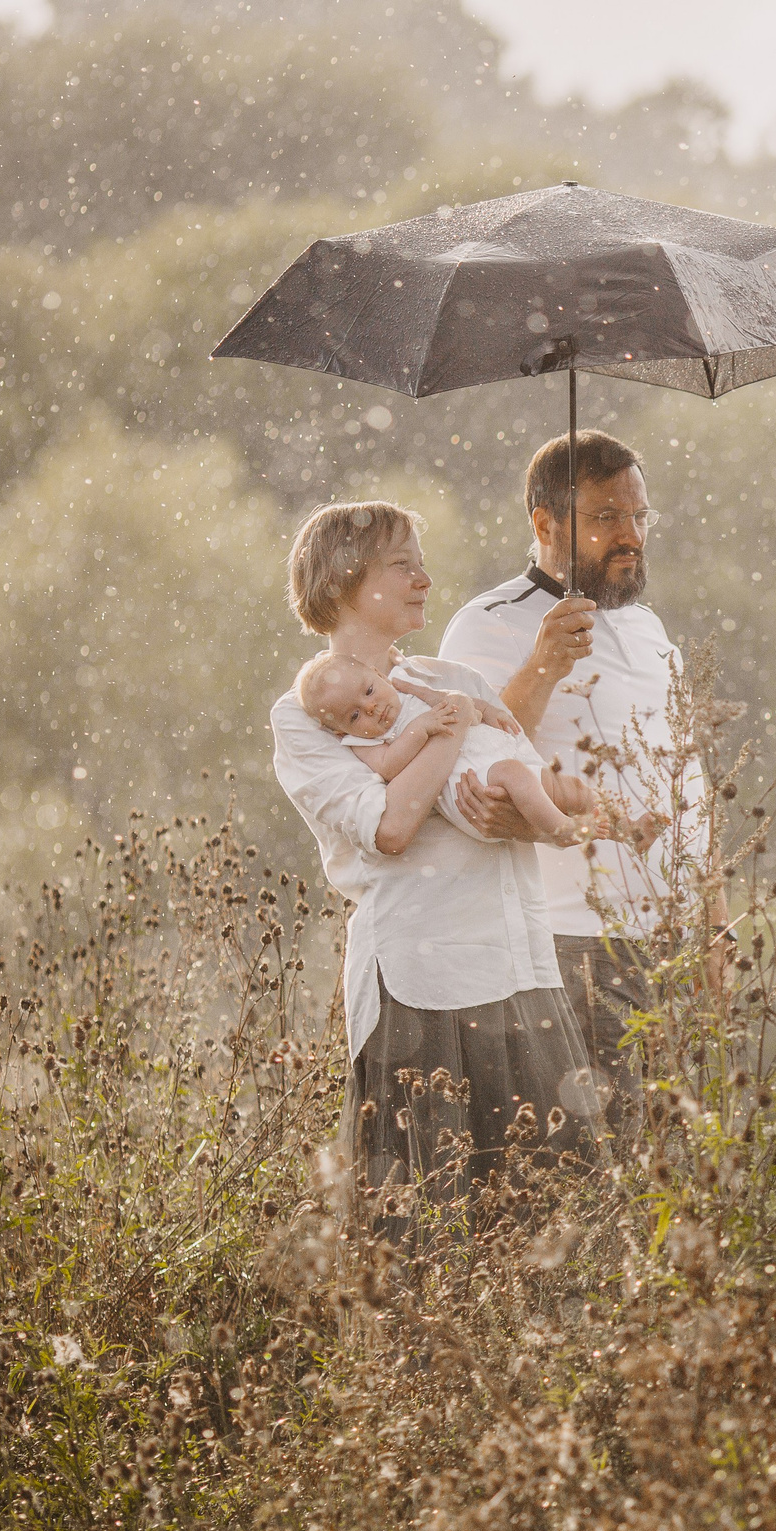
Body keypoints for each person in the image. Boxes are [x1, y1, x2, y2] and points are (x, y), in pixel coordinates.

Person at [269, 499, 603, 1243]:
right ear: (345, 580)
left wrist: (550, 808)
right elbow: (390, 826)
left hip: (520, 964)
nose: (424, 578)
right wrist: (449, 727)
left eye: (421, 563)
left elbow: (522, 785)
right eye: (402, 565)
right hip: (423, 984)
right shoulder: (306, 714)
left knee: (561, 1230)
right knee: (428, 1238)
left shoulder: (452, 677)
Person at [441, 430, 708, 1134]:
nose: (631, 536)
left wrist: (710, 916)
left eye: (640, 515)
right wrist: (542, 667)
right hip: (572, 942)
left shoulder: (648, 628)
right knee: (593, 1163)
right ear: (544, 524)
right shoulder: (486, 625)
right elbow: (470, 767)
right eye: (606, 517)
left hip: (674, 938)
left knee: (676, 1160)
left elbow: (688, 776)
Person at [293, 650, 657, 850]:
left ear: (378, 675)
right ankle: (561, 830)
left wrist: (488, 710)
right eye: (354, 715)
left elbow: (455, 701)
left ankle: (628, 831)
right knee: (516, 775)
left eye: (369, 691)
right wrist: (421, 729)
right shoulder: (363, 742)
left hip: (495, 757)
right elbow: (388, 766)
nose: (371, 708)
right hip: (471, 788)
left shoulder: (408, 688)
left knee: (571, 788)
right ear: (339, 729)